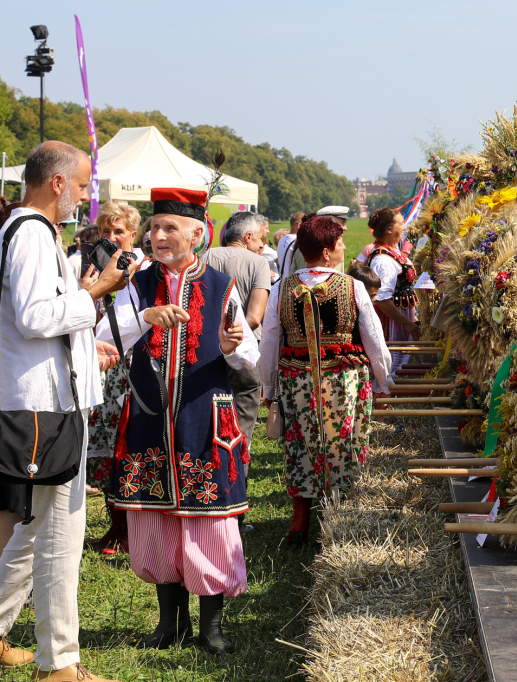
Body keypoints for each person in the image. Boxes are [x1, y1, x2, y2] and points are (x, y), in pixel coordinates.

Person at [99, 187, 258, 655]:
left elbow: (250, 354)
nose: (158, 235)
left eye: (170, 228)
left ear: (197, 234)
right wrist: (146, 316)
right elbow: (104, 336)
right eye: (154, 227)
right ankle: (170, 623)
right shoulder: (135, 283)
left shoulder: (218, 285)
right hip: (150, 419)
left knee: (206, 523)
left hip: (204, 418)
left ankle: (211, 626)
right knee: (155, 520)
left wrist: (233, 347)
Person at [0, 141, 130, 682]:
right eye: (80, 185)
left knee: (36, 530)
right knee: (59, 534)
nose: (84, 196)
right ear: (56, 183)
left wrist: (83, 324)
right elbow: (34, 317)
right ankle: (60, 664)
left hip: (41, 399)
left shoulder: (23, 229)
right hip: (41, 405)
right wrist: (96, 290)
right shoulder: (30, 231)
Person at [259, 216, 391, 545]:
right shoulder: (353, 287)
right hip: (344, 381)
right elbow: (373, 339)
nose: (345, 247)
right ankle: (339, 518)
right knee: (343, 443)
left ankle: (300, 521)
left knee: (300, 443)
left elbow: (270, 342)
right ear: (328, 251)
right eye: (341, 243)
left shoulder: (282, 289)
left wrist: (269, 388)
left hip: (298, 381)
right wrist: (383, 381)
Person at [200, 211, 273, 534]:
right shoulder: (257, 263)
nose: (262, 245)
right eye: (260, 239)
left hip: (206, 356)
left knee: (207, 429)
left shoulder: (204, 257)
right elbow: (255, 317)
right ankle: (234, 512)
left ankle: (205, 501)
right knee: (240, 433)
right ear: (247, 238)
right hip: (243, 357)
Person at [83, 200, 145, 554]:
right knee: (103, 448)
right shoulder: (94, 266)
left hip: (131, 366)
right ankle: (115, 526)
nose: (111, 236)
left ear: (132, 235)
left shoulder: (143, 269)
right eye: (105, 231)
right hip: (99, 365)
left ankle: (129, 530)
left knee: (126, 444)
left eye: (118, 231)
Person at [367, 207, 420, 378]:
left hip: (401, 316)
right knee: (392, 363)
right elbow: (381, 299)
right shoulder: (383, 260)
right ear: (389, 229)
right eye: (401, 223)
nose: (405, 227)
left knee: (400, 361)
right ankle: (385, 395)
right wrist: (407, 323)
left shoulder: (393, 251)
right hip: (392, 322)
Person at [276, 211, 305, 277]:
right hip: (292, 281)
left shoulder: (281, 240)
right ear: (299, 225)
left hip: (282, 280)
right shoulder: (298, 241)